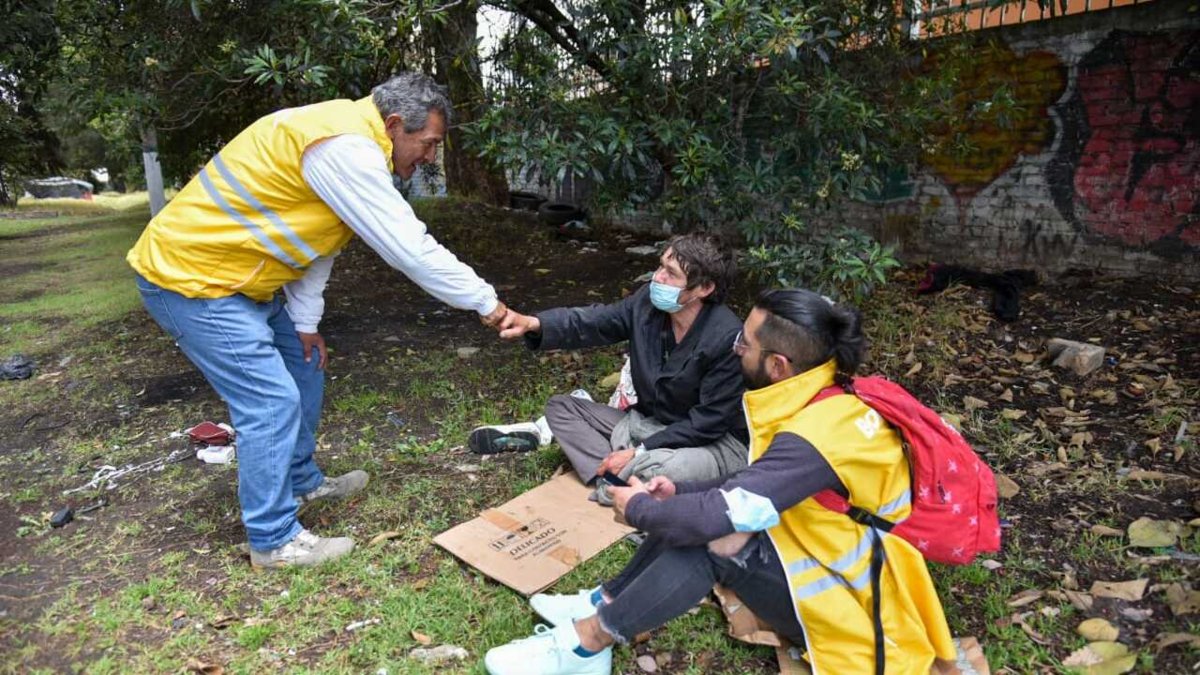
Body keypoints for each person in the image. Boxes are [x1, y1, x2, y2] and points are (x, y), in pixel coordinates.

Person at [127, 73, 512, 569]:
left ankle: (302, 481)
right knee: (268, 401)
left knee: (303, 362)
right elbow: (409, 250)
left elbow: (319, 241)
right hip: (193, 281)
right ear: (395, 125)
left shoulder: (352, 140)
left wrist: (304, 322)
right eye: (430, 144)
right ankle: (272, 540)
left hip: (240, 278)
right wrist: (489, 304)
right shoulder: (345, 149)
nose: (430, 158)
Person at [483, 289, 956, 675]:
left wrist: (641, 509)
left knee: (711, 540)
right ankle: (601, 602)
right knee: (693, 511)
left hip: (851, 600)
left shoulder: (819, 434)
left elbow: (724, 513)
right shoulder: (820, 396)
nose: (735, 348)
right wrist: (677, 493)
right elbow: (750, 485)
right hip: (817, 551)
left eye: (744, 344)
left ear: (778, 365)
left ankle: (586, 645)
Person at [490, 233, 749, 493]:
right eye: (660, 266)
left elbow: (708, 423)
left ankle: (618, 480)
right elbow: (596, 321)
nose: (657, 277)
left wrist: (639, 451)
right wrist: (534, 324)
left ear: (704, 288)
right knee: (561, 409)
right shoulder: (646, 304)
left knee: (673, 470)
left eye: (670, 273)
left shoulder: (727, 338)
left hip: (705, 444)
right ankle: (625, 484)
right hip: (647, 425)